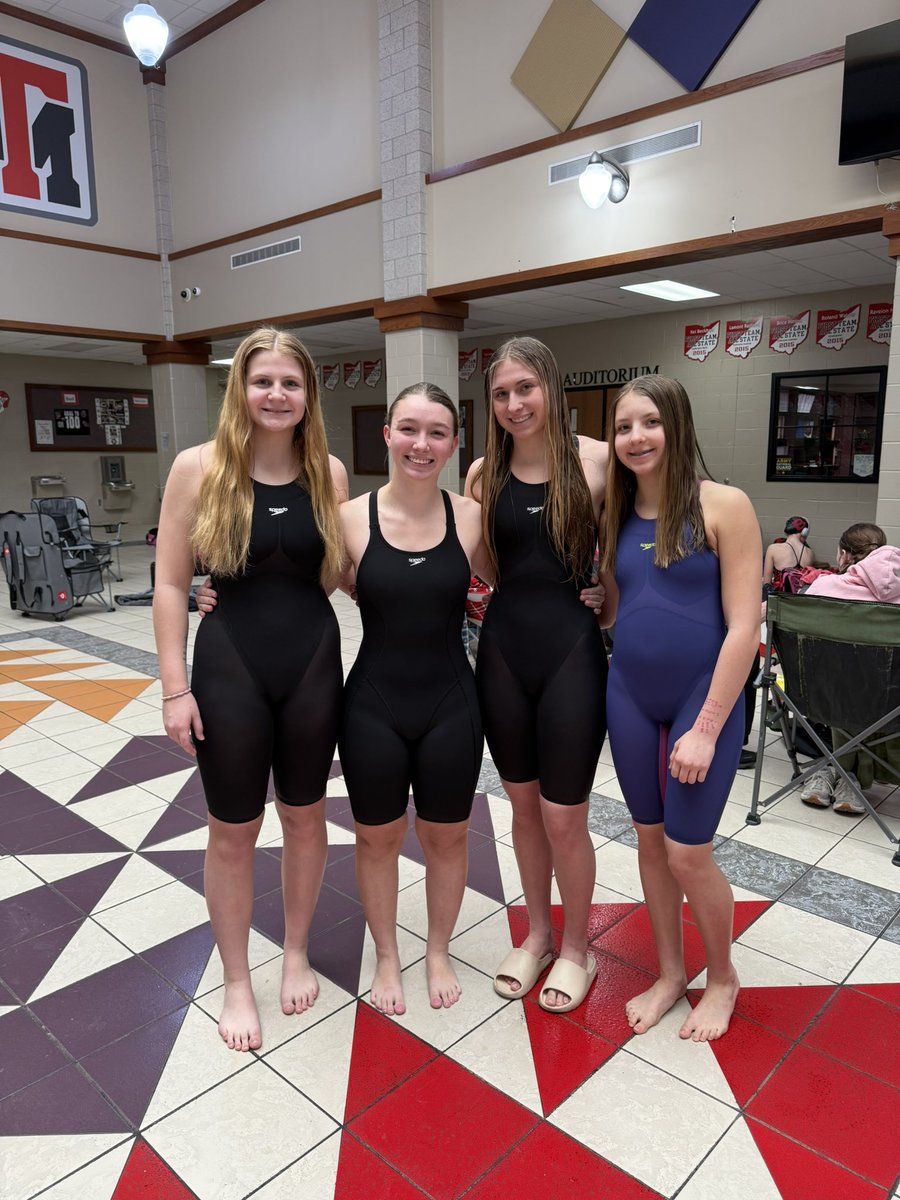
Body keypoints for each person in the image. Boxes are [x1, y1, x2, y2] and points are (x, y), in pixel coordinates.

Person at [153, 327, 347, 1052]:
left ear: (307, 396)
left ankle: (294, 948)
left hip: (312, 667)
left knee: (305, 818)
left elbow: (333, 575)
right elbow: (171, 582)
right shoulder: (198, 468)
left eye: (289, 383)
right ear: (240, 388)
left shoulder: (326, 472)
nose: (275, 394)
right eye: (262, 380)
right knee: (233, 831)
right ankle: (237, 979)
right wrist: (176, 688)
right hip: (228, 666)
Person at [598, 374, 761, 1042]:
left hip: (703, 701)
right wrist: (595, 605)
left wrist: (706, 727)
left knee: (688, 853)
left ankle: (721, 976)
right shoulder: (616, 512)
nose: (636, 438)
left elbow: (744, 626)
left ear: (678, 426)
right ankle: (670, 972)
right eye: (623, 427)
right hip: (629, 695)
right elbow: (624, 603)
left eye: (649, 423)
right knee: (648, 841)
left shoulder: (725, 506)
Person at [465, 336, 608, 1014]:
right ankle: (540, 935)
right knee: (521, 807)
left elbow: (633, 552)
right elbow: (487, 567)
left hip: (572, 654)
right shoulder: (481, 473)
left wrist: (609, 599)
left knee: (564, 812)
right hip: (502, 653)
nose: (515, 403)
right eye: (501, 393)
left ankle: (579, 948)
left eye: (526, 388)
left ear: (551, 386)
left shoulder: (598, 464)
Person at [339, 383, 485, 1015]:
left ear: (453, 445)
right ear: (387, 435)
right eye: (408, 429)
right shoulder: (349, 518)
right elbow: (298, 584)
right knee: (376, 838)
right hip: (372, 700)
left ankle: (437, 950)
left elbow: (530, 578)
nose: (420, 444)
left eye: (436, 433)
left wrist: (594, 595)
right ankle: (387, 955)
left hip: (453, 699)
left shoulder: (472, 517)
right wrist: (213, 596)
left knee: (447, 836)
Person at [799, 523, 900, 813]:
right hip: (890, 706)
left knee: (840, 687)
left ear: (843, 555)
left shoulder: (822, 587)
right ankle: (849, 777)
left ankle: (835, 772)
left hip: (824, 700)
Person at [762, 516, 814, 594]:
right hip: (796, 600)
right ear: (804, 532)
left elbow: (766, 584)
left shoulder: (773, 548)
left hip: (779, 600)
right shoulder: (810, 553)